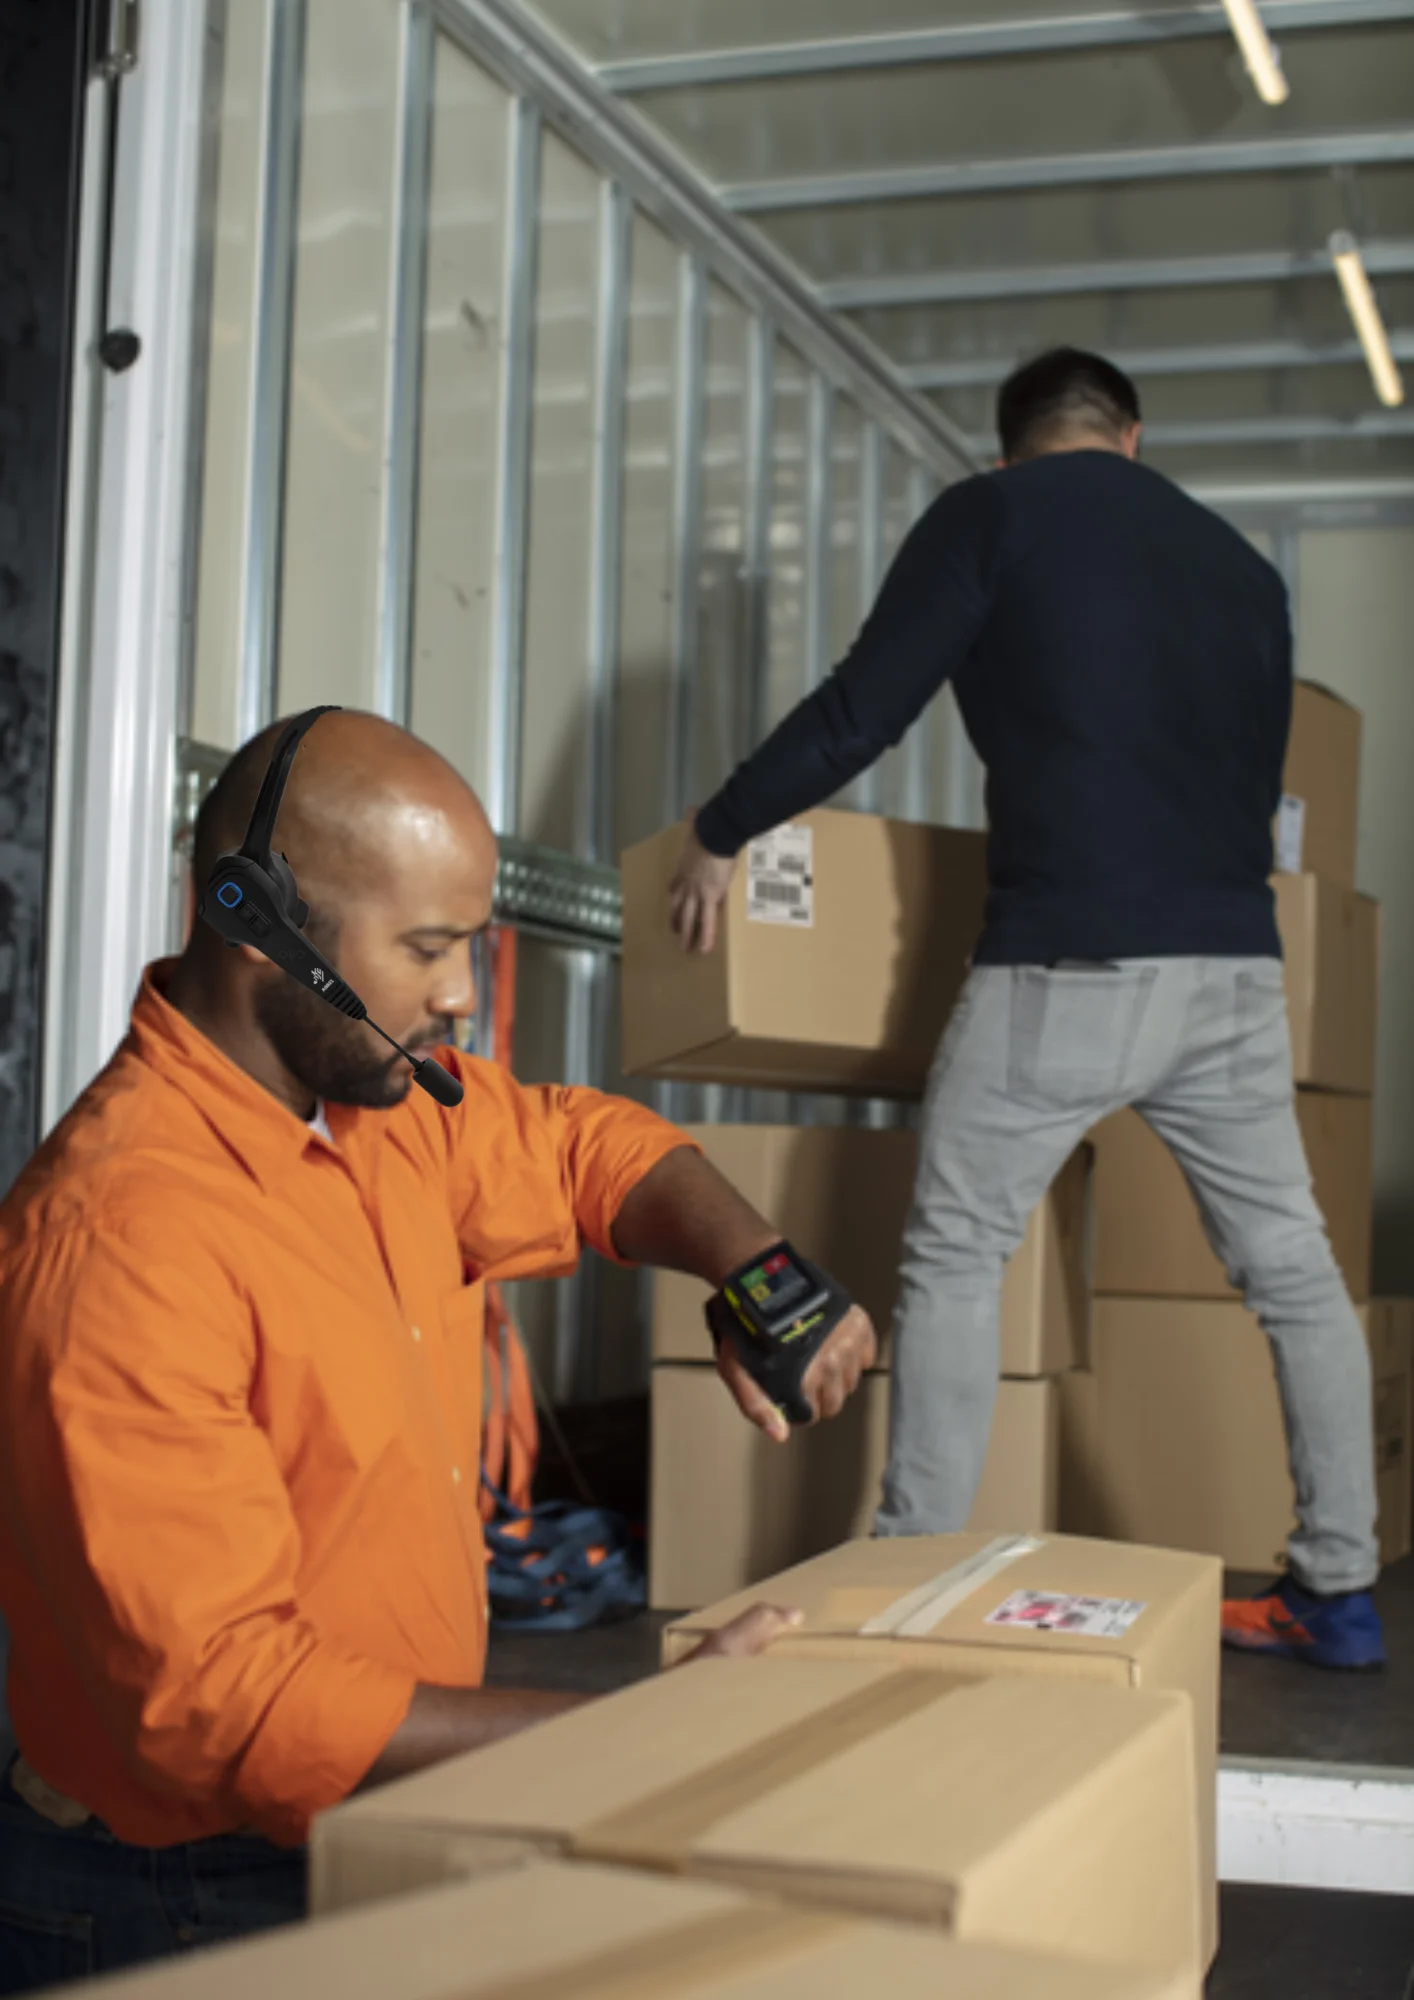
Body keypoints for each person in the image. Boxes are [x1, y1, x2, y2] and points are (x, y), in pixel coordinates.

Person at [0, 710, 876, 1991]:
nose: (462, 992)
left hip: (362, 1825)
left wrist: (759, 1271)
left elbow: (591, 1148)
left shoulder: (377, 1115)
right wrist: (641, 1730)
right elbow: (224, 1701)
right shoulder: (123, 1241)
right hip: (180, 1893)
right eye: (427, 946)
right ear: (254, 916)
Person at [670, 345, 1385, 1675]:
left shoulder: (987, 517)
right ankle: (1337, 1591)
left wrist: (722, 831)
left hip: (1067, 966)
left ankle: (905, 1568)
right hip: (1234, 975)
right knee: (1292, 1274)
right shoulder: (1240, 568)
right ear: (1129, 437)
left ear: (1010, 452)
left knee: (952, 1256)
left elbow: (859, 711)